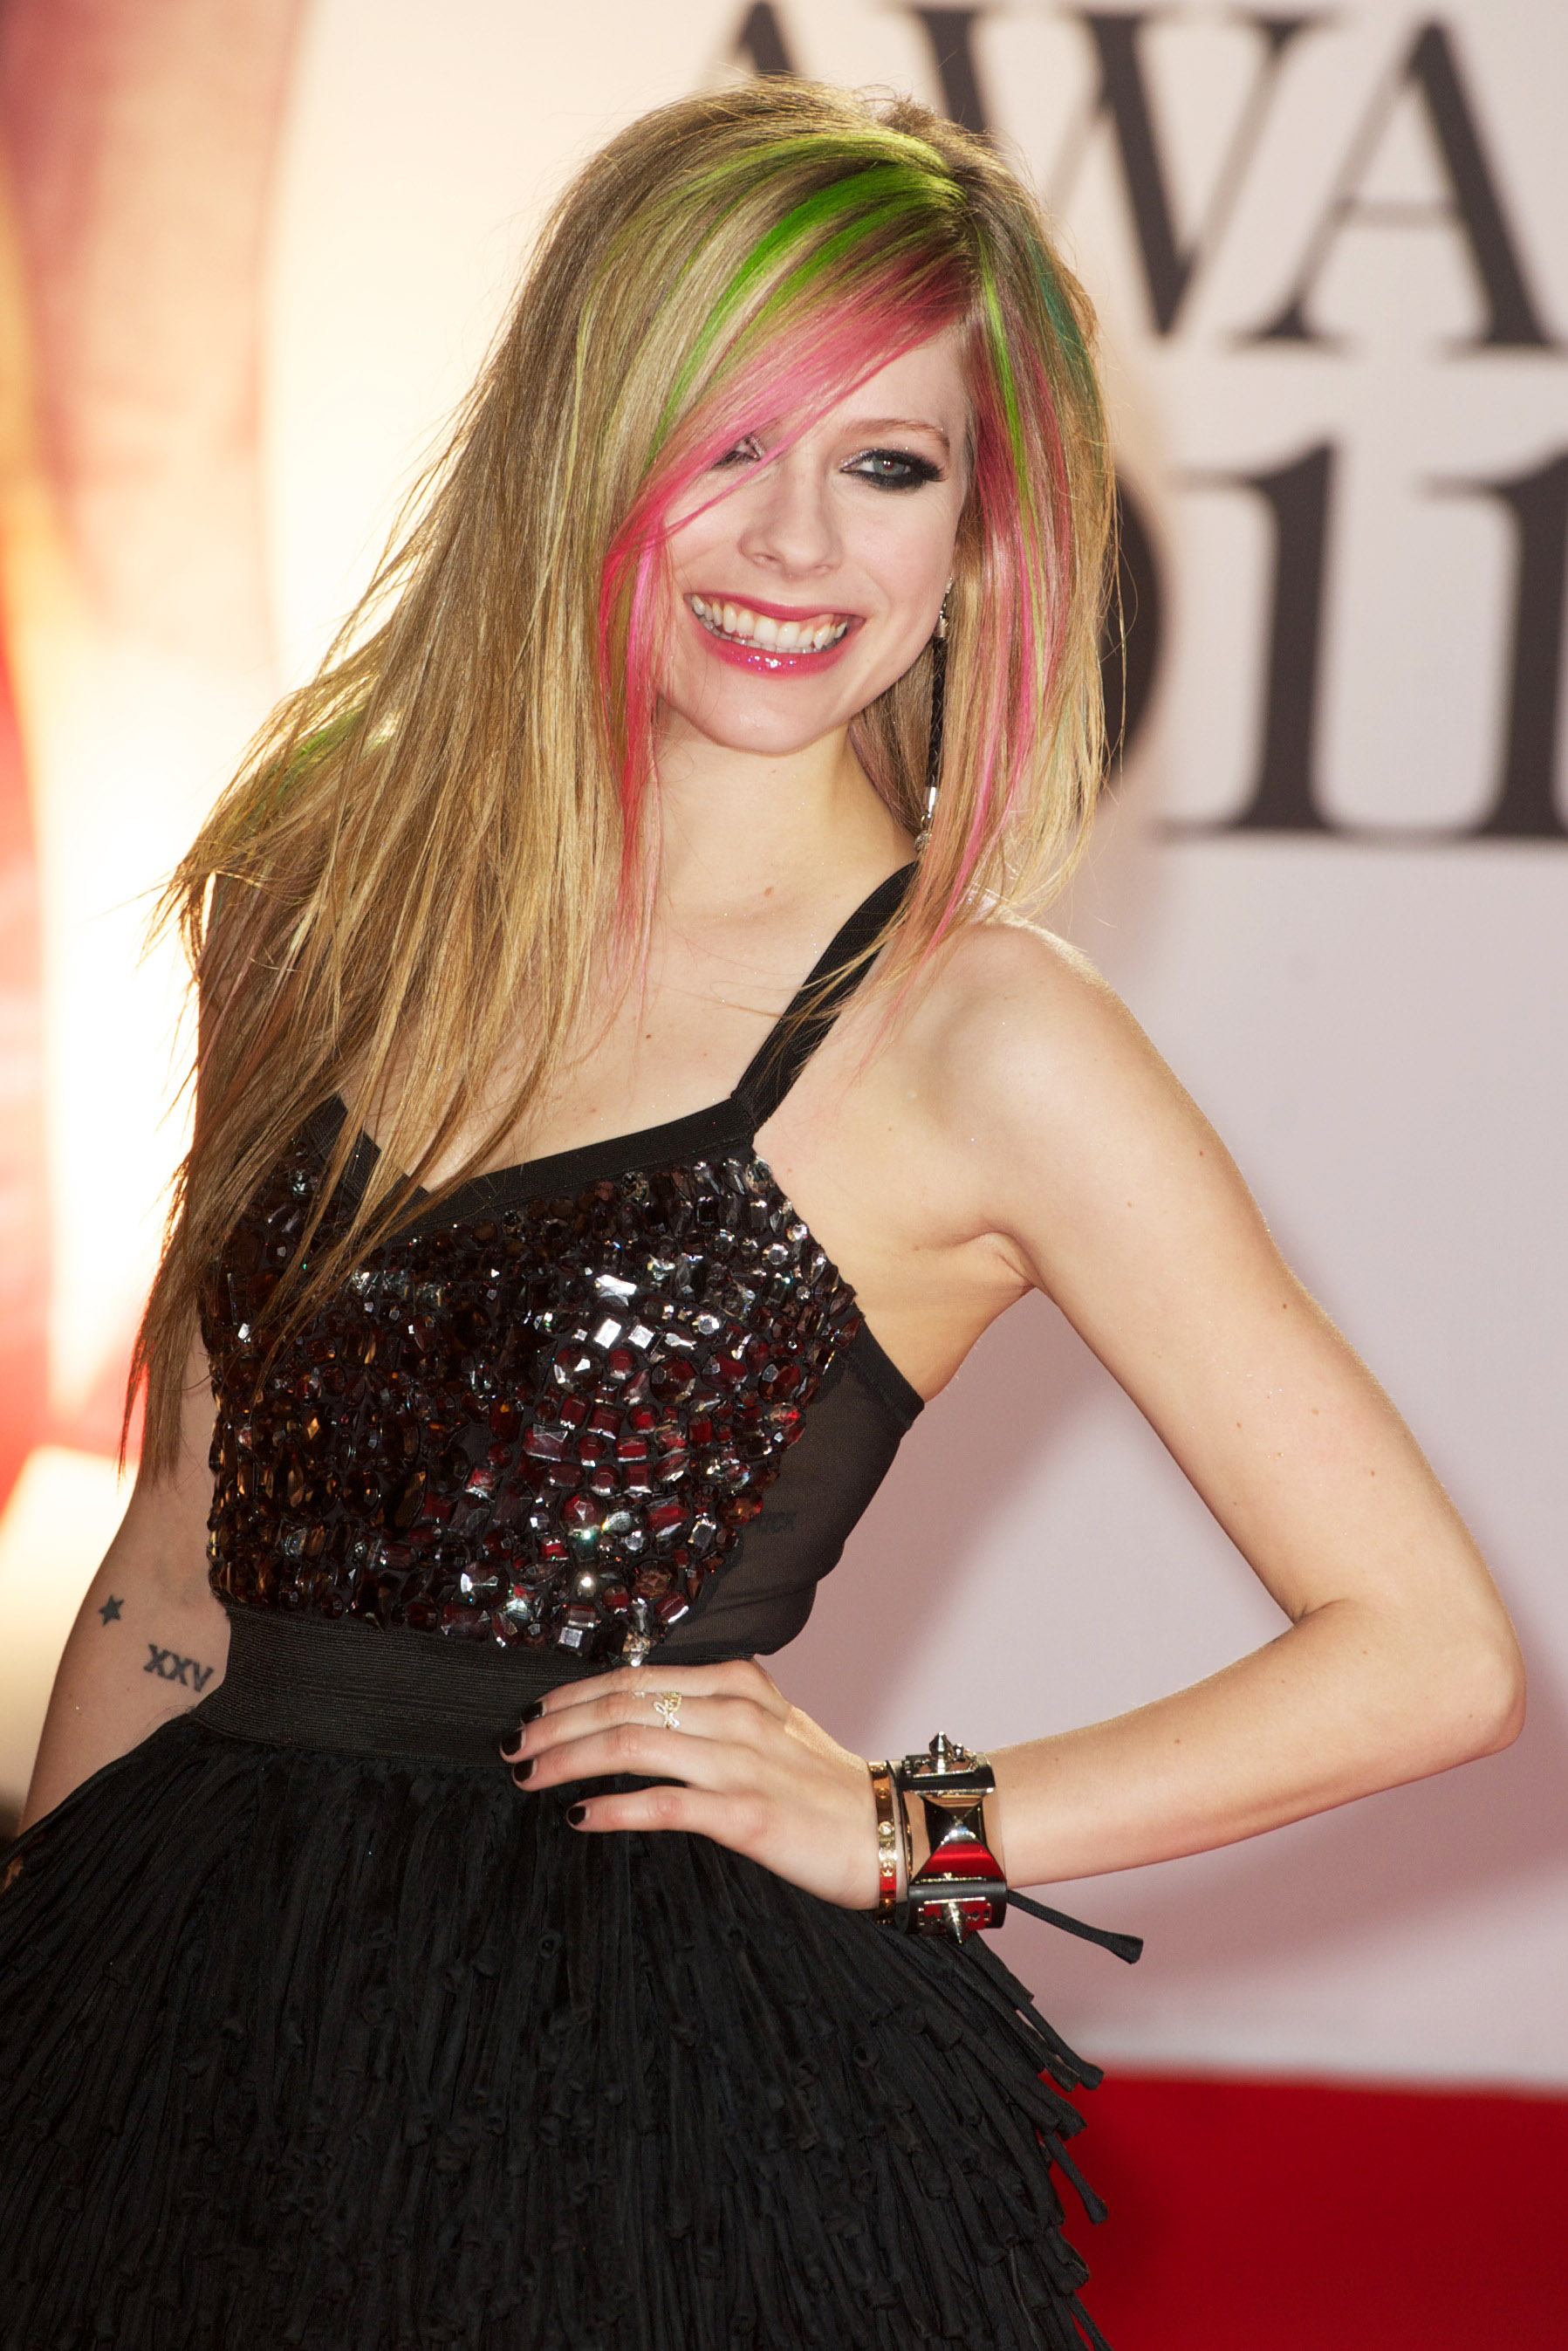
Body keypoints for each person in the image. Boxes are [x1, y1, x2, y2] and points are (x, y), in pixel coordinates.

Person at [0, 78, 1522, 2351]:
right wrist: (54, 1991)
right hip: (184, 1999)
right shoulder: (321, 879)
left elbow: (1431, 1653)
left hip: (618, 2093)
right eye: (726, 442)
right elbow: (182, 1548)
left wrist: (911, 1827)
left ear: (979, 539)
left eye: (888, 467)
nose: (799, 545)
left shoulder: (982, 1039)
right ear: (582, 448)